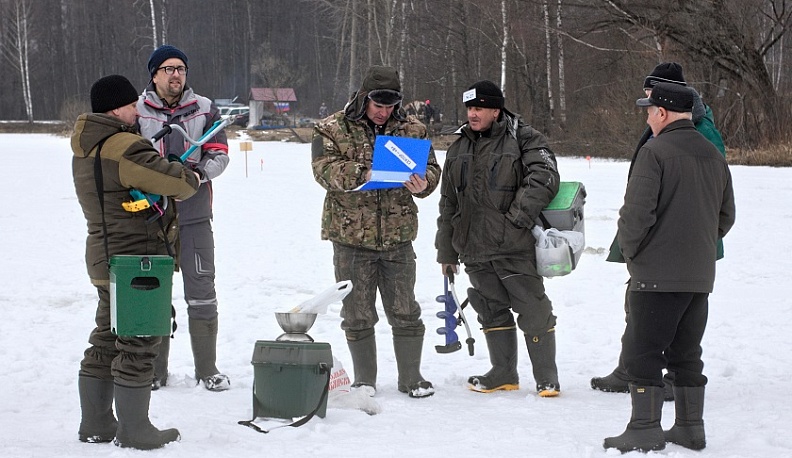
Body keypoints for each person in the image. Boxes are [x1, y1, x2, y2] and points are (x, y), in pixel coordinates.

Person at [603, 82, 735, 452]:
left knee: (641, 353)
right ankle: (691, 430)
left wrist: (634, 254)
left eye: (649, 110)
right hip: (699, 277)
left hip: (655, 278)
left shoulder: (654, 151)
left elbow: (635, 216)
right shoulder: (713, 154)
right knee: (687, 354)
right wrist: (698, 246)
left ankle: (644, 428)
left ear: (662, 113)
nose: (646, 116)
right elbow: (726, 216)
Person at [73, 75, 200, 449]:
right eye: (132, 105)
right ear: (116, 108)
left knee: (107, 338)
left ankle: (96, 422)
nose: (137, 110)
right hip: (135, 264)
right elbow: (179, 184)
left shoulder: (85, 148)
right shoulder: (125, 147)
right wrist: (184, 171)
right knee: (140, 340)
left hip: (102, 258)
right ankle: (134, 428)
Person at [311, 65, 441, 398]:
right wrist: (366, 172)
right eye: (377, 105)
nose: (383, 113)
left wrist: (424, 183)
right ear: (364, 98)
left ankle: (411, 378)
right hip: (352, 237)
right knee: (356, 313)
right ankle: (364, 381)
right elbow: (323, 170)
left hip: (398, 235)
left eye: (389, 107)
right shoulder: (332, 128)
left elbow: (432, 169)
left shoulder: (413, 130)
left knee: (406, 310)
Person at [435, 80, 562, 397]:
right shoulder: (458, 147)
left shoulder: (524, 138)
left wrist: (517, 219)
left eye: (479, 108)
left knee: (533, 308)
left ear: (496, 109)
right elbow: (449, 202)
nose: (472, 114)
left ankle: (546, 377)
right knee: (489, 309)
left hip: (513, 246)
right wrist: (446, 252)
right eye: (469, 108)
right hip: (473, 249)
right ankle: (504, 373)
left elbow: (545, 177)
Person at [137, 45, 231, 392]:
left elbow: (219, 154)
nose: (176, 74)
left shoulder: (204, 108)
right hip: (151, 218)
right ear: (154, 74)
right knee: (153, 294)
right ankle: (155, 370)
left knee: (203, 290)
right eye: (168, 69)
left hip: (193, 215)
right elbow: (130, 161)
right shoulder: (137, 111)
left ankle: (207, 369)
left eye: (181, 68)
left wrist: (196, 177)